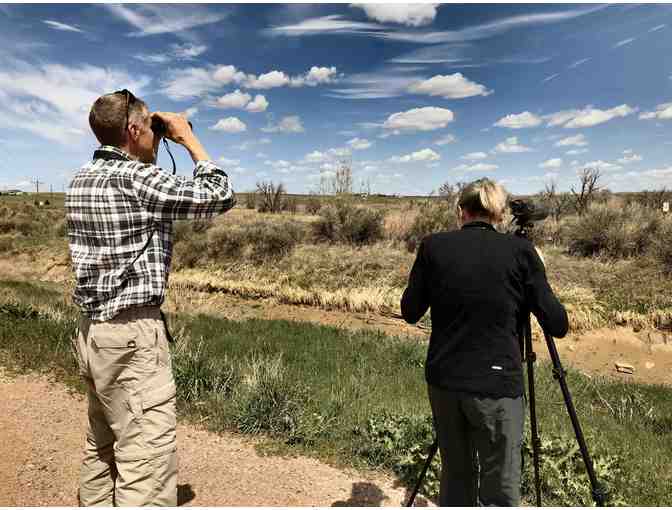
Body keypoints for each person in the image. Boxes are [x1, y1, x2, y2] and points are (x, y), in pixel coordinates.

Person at [66, 89, 236, 506]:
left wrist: (153, 143)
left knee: (102, 448)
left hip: (93, 334)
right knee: (145, 461)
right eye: (149, 129)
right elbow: (219, 194)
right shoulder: (138, 180)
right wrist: (187, 139)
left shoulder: (80, 179)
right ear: (133, 129)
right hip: (132, 338)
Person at [400, 178, 568, 506]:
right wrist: (537, 272)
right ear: (499, 214)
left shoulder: (433, 246)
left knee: (456, 478)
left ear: (461, 212)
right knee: (499, 487)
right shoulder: (521, 252)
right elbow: (557, 324)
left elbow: (410, 311)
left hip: (445, 382)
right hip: (497, 386)